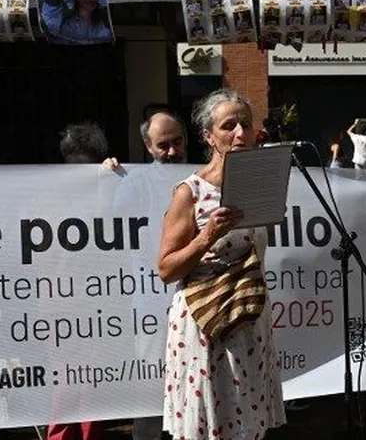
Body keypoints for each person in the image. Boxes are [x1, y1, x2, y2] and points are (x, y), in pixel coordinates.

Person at [157, 88, 286, 440]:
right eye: (229, 125)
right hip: (205, 324)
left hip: (248, 317)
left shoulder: (260, 180)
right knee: (209, 425)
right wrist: (207, 235)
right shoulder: (190, 191)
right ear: (208, 136)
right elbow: (166, 269)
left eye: (246, 123)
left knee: (247, 426)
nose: (241, 133)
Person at [103, 109, 187, 440]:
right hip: (153, 302)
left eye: (177, 142)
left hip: (197, 296)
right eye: (163, 145)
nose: (171, 152)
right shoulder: (135, 182)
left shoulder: (203, 177)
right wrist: (103, 178)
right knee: (153, 381)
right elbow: (105, 222)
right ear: (148, 147)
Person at [46, 122, 107, 440]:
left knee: (92, 386)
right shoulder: (50, 199)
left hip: (99, 306)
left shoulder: (108, 194)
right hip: (60, 308)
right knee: (65, 385)